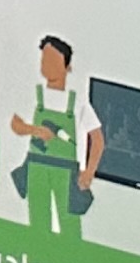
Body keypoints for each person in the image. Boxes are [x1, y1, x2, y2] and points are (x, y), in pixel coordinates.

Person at [7, 34, 95, 238]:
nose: (47, 65)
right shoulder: (34, 95)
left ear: (67, 67)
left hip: (66, 172)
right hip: (36, 166)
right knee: (38, 224)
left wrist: (89, 172)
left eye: (53, 60)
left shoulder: (77, 102)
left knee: (70, 226)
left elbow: (97, 139)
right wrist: (36, 131)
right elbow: (16, 124)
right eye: (44, 60)